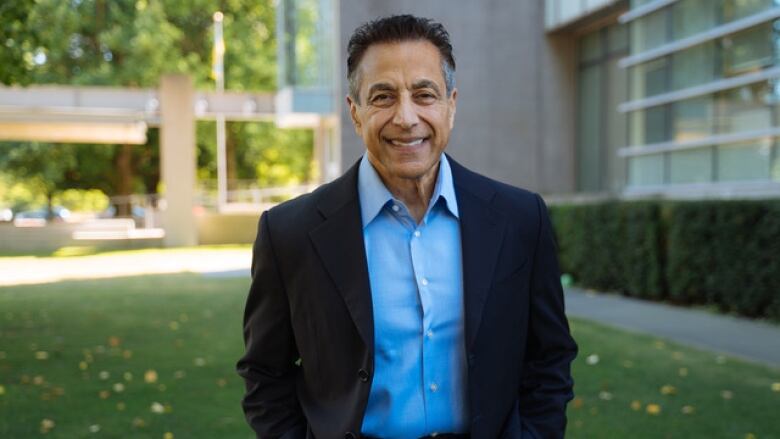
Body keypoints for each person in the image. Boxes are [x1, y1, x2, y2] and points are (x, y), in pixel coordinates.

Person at [237, 14, 577, 439]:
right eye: (382, 97)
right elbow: (265, 372)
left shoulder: (520, 219)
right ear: (355, 113)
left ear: (450, 105)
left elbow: (549, 358)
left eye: (424, 94)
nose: (406, 117)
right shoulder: (289, 233)